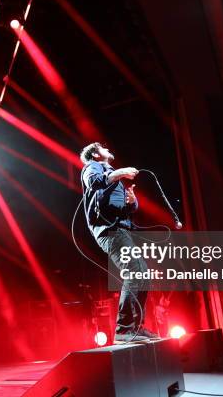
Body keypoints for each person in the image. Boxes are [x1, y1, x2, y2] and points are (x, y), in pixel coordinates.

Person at [80, 142, 156, 344]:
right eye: (102, 147)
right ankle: (124, 329)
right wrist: (121, 172)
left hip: (120, 229)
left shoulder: (113, 176)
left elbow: (124, 209)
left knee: (143, 275)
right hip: (109, 231)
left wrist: (132, 202)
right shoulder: (93, 167)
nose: (107, 148)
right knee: (134, 271)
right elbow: (94, 183)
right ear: (96, 154)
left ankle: (135, 328)